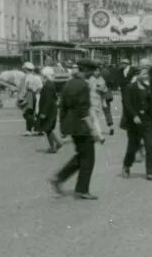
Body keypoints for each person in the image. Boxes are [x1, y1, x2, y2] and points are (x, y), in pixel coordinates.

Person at [50, 60, 102, 200]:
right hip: (82, 126)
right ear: (85, 70)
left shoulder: (68, 83)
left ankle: (59, 177)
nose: (92, 74)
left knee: (81, 155)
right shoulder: (83, 85)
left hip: (70, 125)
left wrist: (62, 127)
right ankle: (81, 190)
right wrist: (93, 131)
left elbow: (63, 107)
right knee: (88, 158)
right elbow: (83, 111)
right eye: (91, 71)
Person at [122, 64, 152, 180]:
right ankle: (126, 165)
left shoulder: (149, 88)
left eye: (147, 74)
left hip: (148, 121)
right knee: (132, 148)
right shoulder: (130, 88)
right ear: (137, 75)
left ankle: (150, 172)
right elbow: (127, 104)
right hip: (134, 123)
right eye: (144, 74)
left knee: (151, 146)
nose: (146, 76)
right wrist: (134, 116)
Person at [36, 67, 64, 153]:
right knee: (48, 128)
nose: (41, 77)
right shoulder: (51, 84)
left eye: (43, 75)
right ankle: (57, 143)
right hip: (52, 109)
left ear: (46, 76)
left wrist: (43, 112)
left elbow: (47, 100)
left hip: (48, 110)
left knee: (47, 128)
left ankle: (53, 146)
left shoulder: (47, 85)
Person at [19, 62, 43, 135]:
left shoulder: (27, 77)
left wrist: (22, 97)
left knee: (26, 113)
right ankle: (29, 130)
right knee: (31, 113)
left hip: (29, 94)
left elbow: (25, 88)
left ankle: (37, 128)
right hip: (35, 94)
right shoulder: (37, 77)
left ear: (26, 69)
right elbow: (40, 87)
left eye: (24, 69)